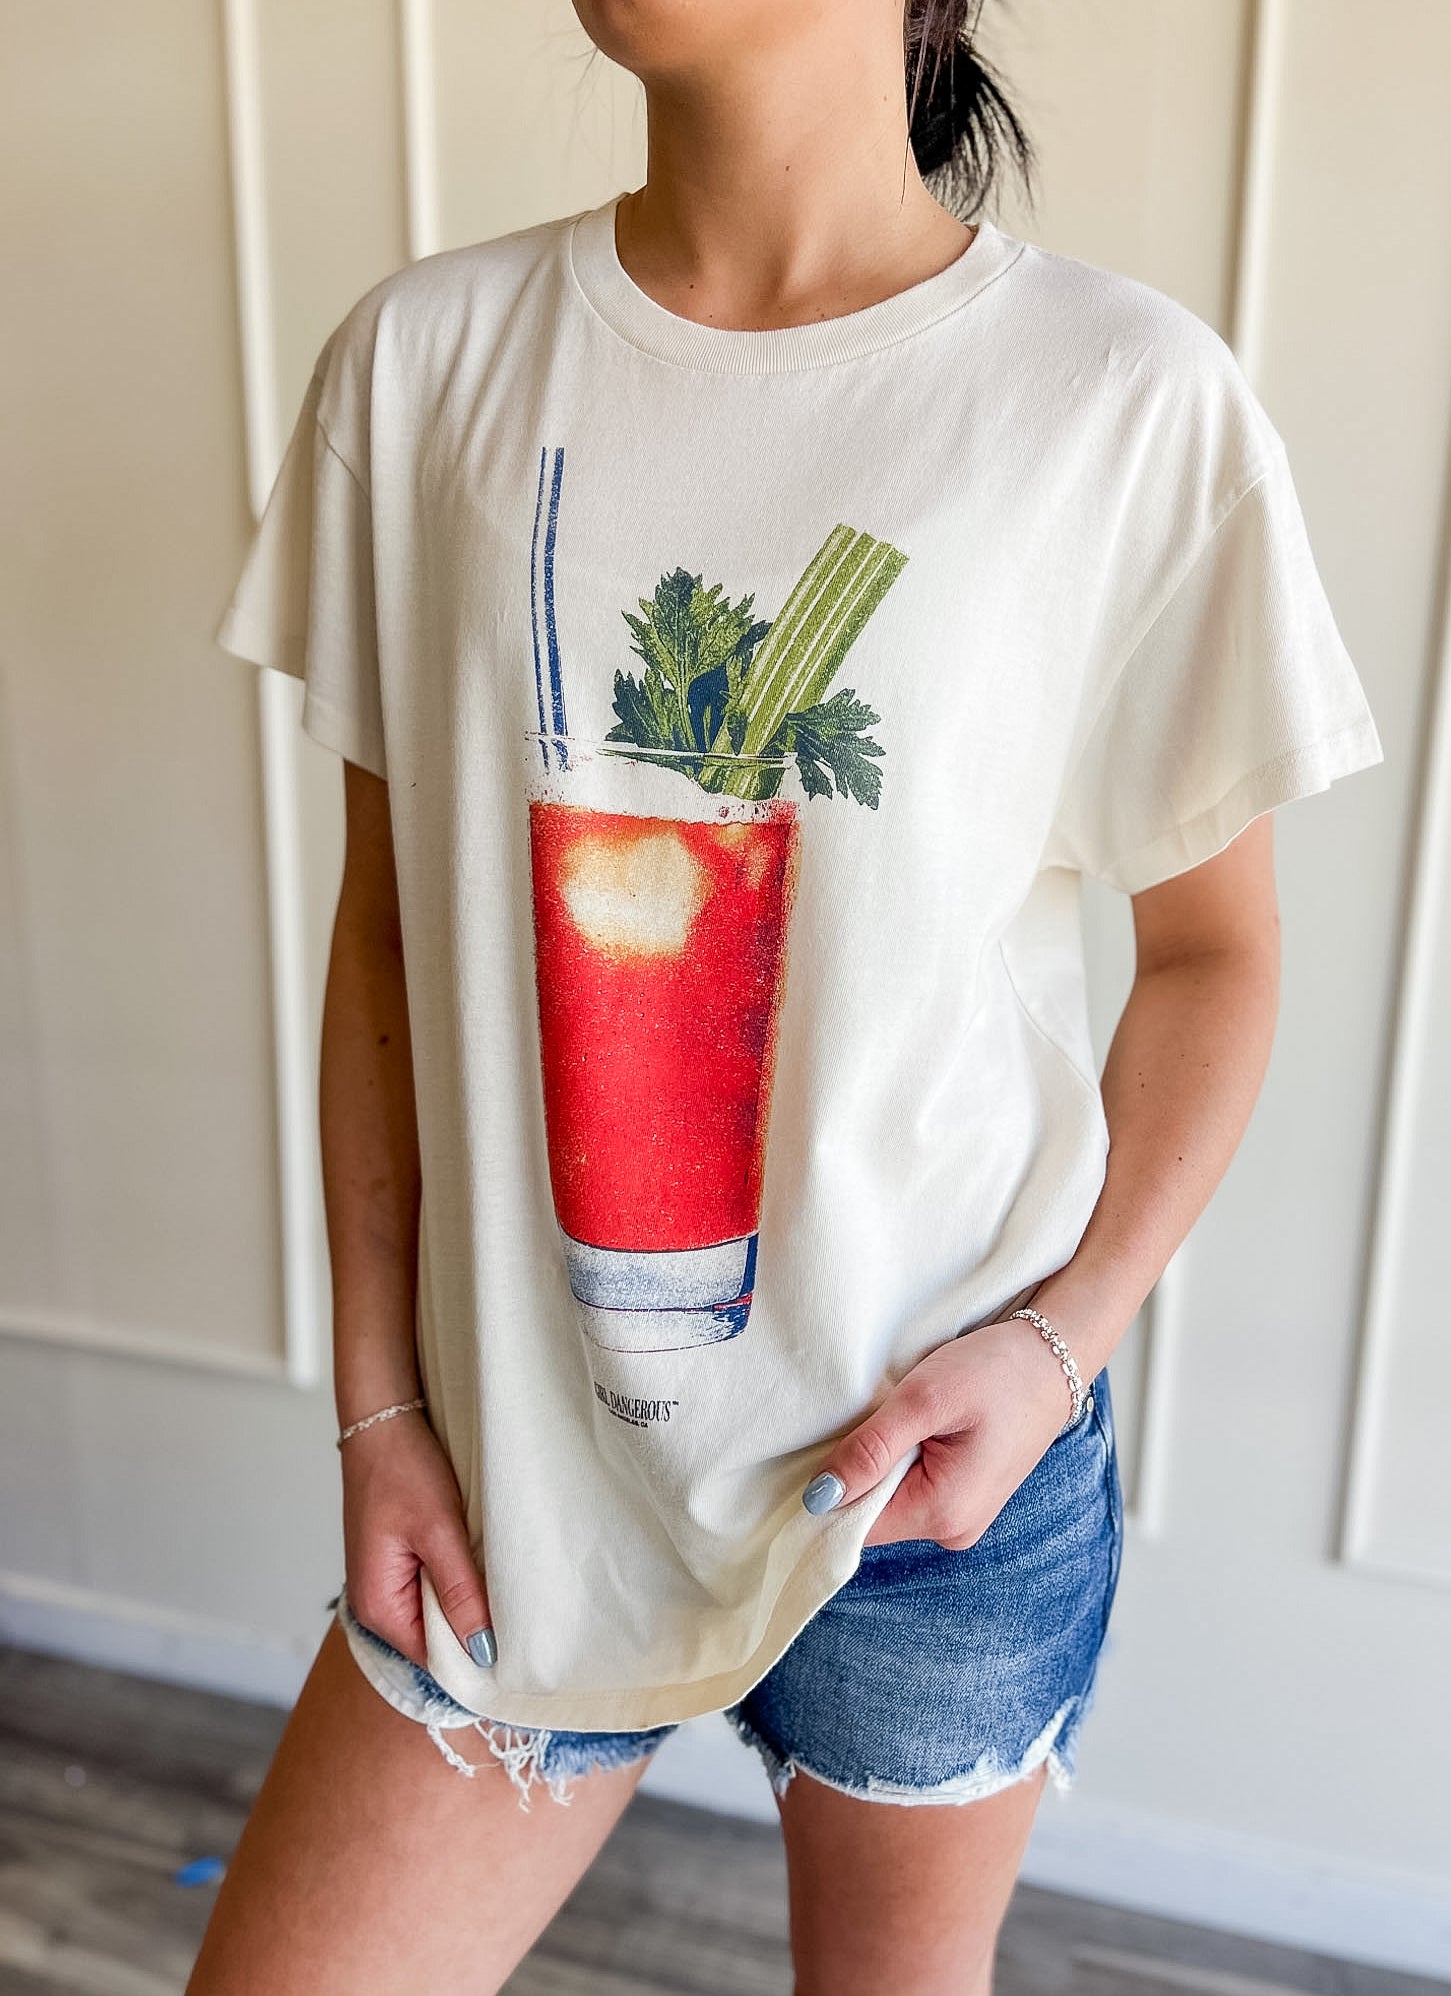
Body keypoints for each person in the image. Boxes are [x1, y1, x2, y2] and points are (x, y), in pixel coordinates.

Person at [190, 1, 1384, 1989]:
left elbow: (1214, 957)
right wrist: (381, 1402)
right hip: (513, 1478)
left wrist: (1059, 1344)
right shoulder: (426, 366)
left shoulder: (1120, 399)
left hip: (931, 1483)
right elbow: (389, 938)